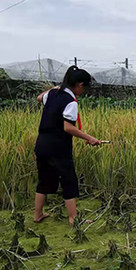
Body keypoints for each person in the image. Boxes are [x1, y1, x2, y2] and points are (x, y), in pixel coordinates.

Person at [34, 66, 102, 226]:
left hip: (42, 145)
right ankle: (73, 218)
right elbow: (68, 127)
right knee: (68, 180)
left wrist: (56, 87)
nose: (84, 91)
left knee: (44, 179)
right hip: (59, 148)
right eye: (84, 87)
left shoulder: (52, 94)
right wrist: (89, 138)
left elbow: (39, 98)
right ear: (79, 85)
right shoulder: (71, 101)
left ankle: (37, 215)